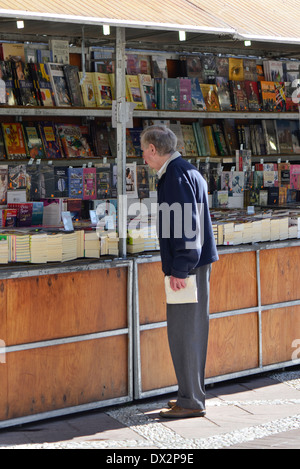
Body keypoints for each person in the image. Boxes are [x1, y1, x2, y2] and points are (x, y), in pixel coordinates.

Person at [140, 125, 219, 419]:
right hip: (193, 265)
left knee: (184, 334)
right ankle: (189, 395)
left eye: (144, 152)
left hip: (188, 268)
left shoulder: (175, 176)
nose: (143, 159)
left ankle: (190, 401)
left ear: (153, 149)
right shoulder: (187, 171)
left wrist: (180, 269)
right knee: (190, 333)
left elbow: (186, 225)